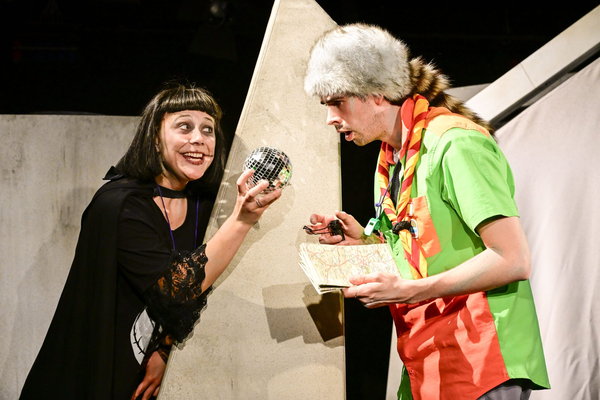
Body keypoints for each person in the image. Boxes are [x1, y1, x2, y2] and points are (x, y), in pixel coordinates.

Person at [303, 24, 550, 400]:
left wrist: (408, 290)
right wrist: (364, 242)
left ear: (377, 94)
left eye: (337, 103)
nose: (330, 119)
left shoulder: (454, 143)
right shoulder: (391, 155)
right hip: (426, 359)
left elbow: (512, 259)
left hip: (481, 359)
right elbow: (421, 249)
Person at [19, 82, 281, 400]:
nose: (199, 139)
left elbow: (202, 291)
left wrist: (164, 349)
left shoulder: (207, 203)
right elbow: (177, 289)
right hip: (93, 374)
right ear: (155, 139)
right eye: (184, 126)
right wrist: (242, 219)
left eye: (208, 129)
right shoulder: (120, 204)